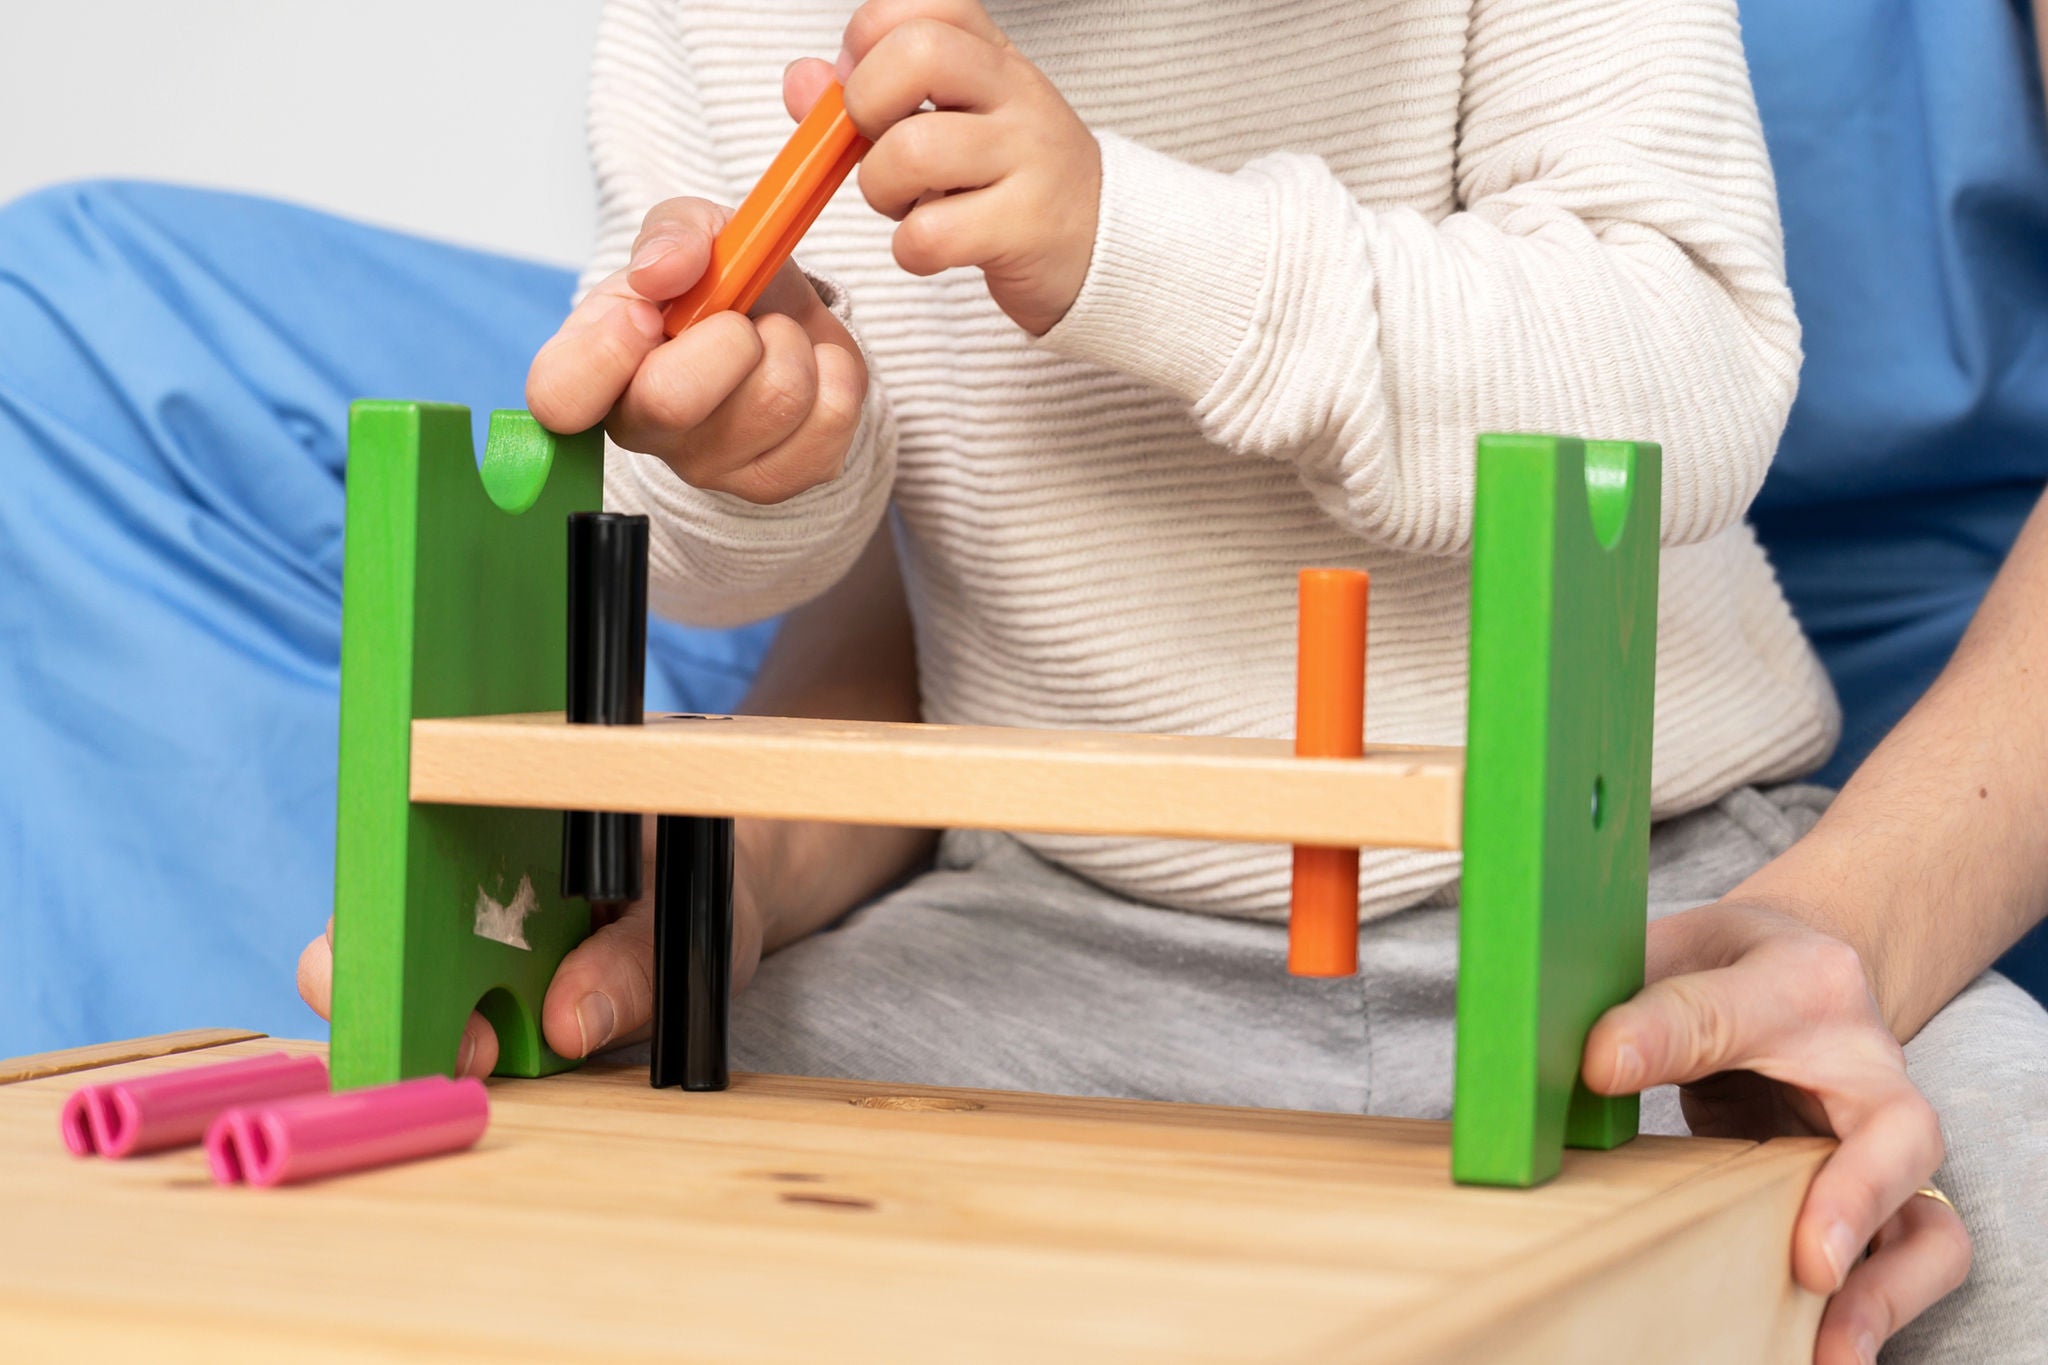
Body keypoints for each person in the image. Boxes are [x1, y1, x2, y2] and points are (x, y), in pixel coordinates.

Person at [294, 2, 2045, 1360]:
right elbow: (735, 551)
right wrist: (751, 445)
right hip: (1036, 932)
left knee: (1977, 1228)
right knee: (584, 1205)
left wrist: (1138, 239)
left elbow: (1695, 371)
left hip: (1660, 914)